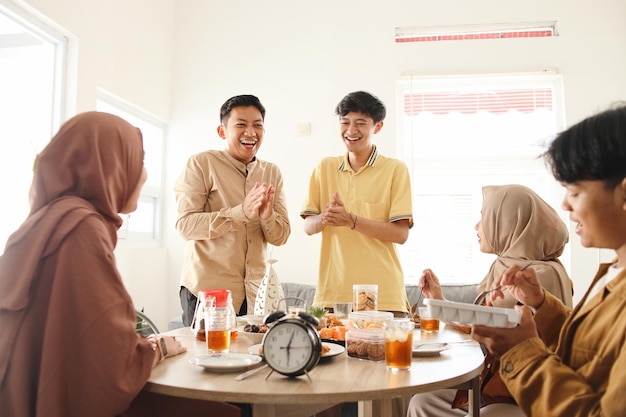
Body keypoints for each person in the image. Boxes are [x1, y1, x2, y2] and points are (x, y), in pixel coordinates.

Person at [0, 112, 186, 417]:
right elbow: (108, 364)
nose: (142, 175)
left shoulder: (44, 222)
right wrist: (158, 349)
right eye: (135, 161)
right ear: (108, 164)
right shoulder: (81, 228)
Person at [469, 104, 626, 417]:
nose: (565, 205)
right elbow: (590, 349)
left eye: (575, 191)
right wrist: (542, 304)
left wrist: (521, 350)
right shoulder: (613, 273)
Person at [408, 183, 573, 417]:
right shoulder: (502, 265)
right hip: (497, 381)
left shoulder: (540, 275)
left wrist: (442, 306)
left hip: (526, 391)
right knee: (423, 402)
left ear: (506, 222)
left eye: (485, 217)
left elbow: (488, 324)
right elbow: (482, 318)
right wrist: (439, 299)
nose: (477, 226)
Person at [175, 94, 290, 325]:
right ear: (222, 131)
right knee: (207, 359)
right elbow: (185, 225)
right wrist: (240, 214)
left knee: (256, 360)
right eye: (241, 125)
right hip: (207, 294)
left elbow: (281, 236)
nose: (251, 133)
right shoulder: (201, 164)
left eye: (258, 126)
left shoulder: (271, 173)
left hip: (257, 295)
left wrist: (267, 217)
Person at [301, 91, 413, 314]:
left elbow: (400, 234)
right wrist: (324, 218)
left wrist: (351, 220)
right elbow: (308, 226)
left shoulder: (395, 170)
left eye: (360, 123)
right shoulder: (325, 168)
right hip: (333, 295)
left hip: (384, 296)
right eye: (345, 123)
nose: (351, 131)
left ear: (377, 127)